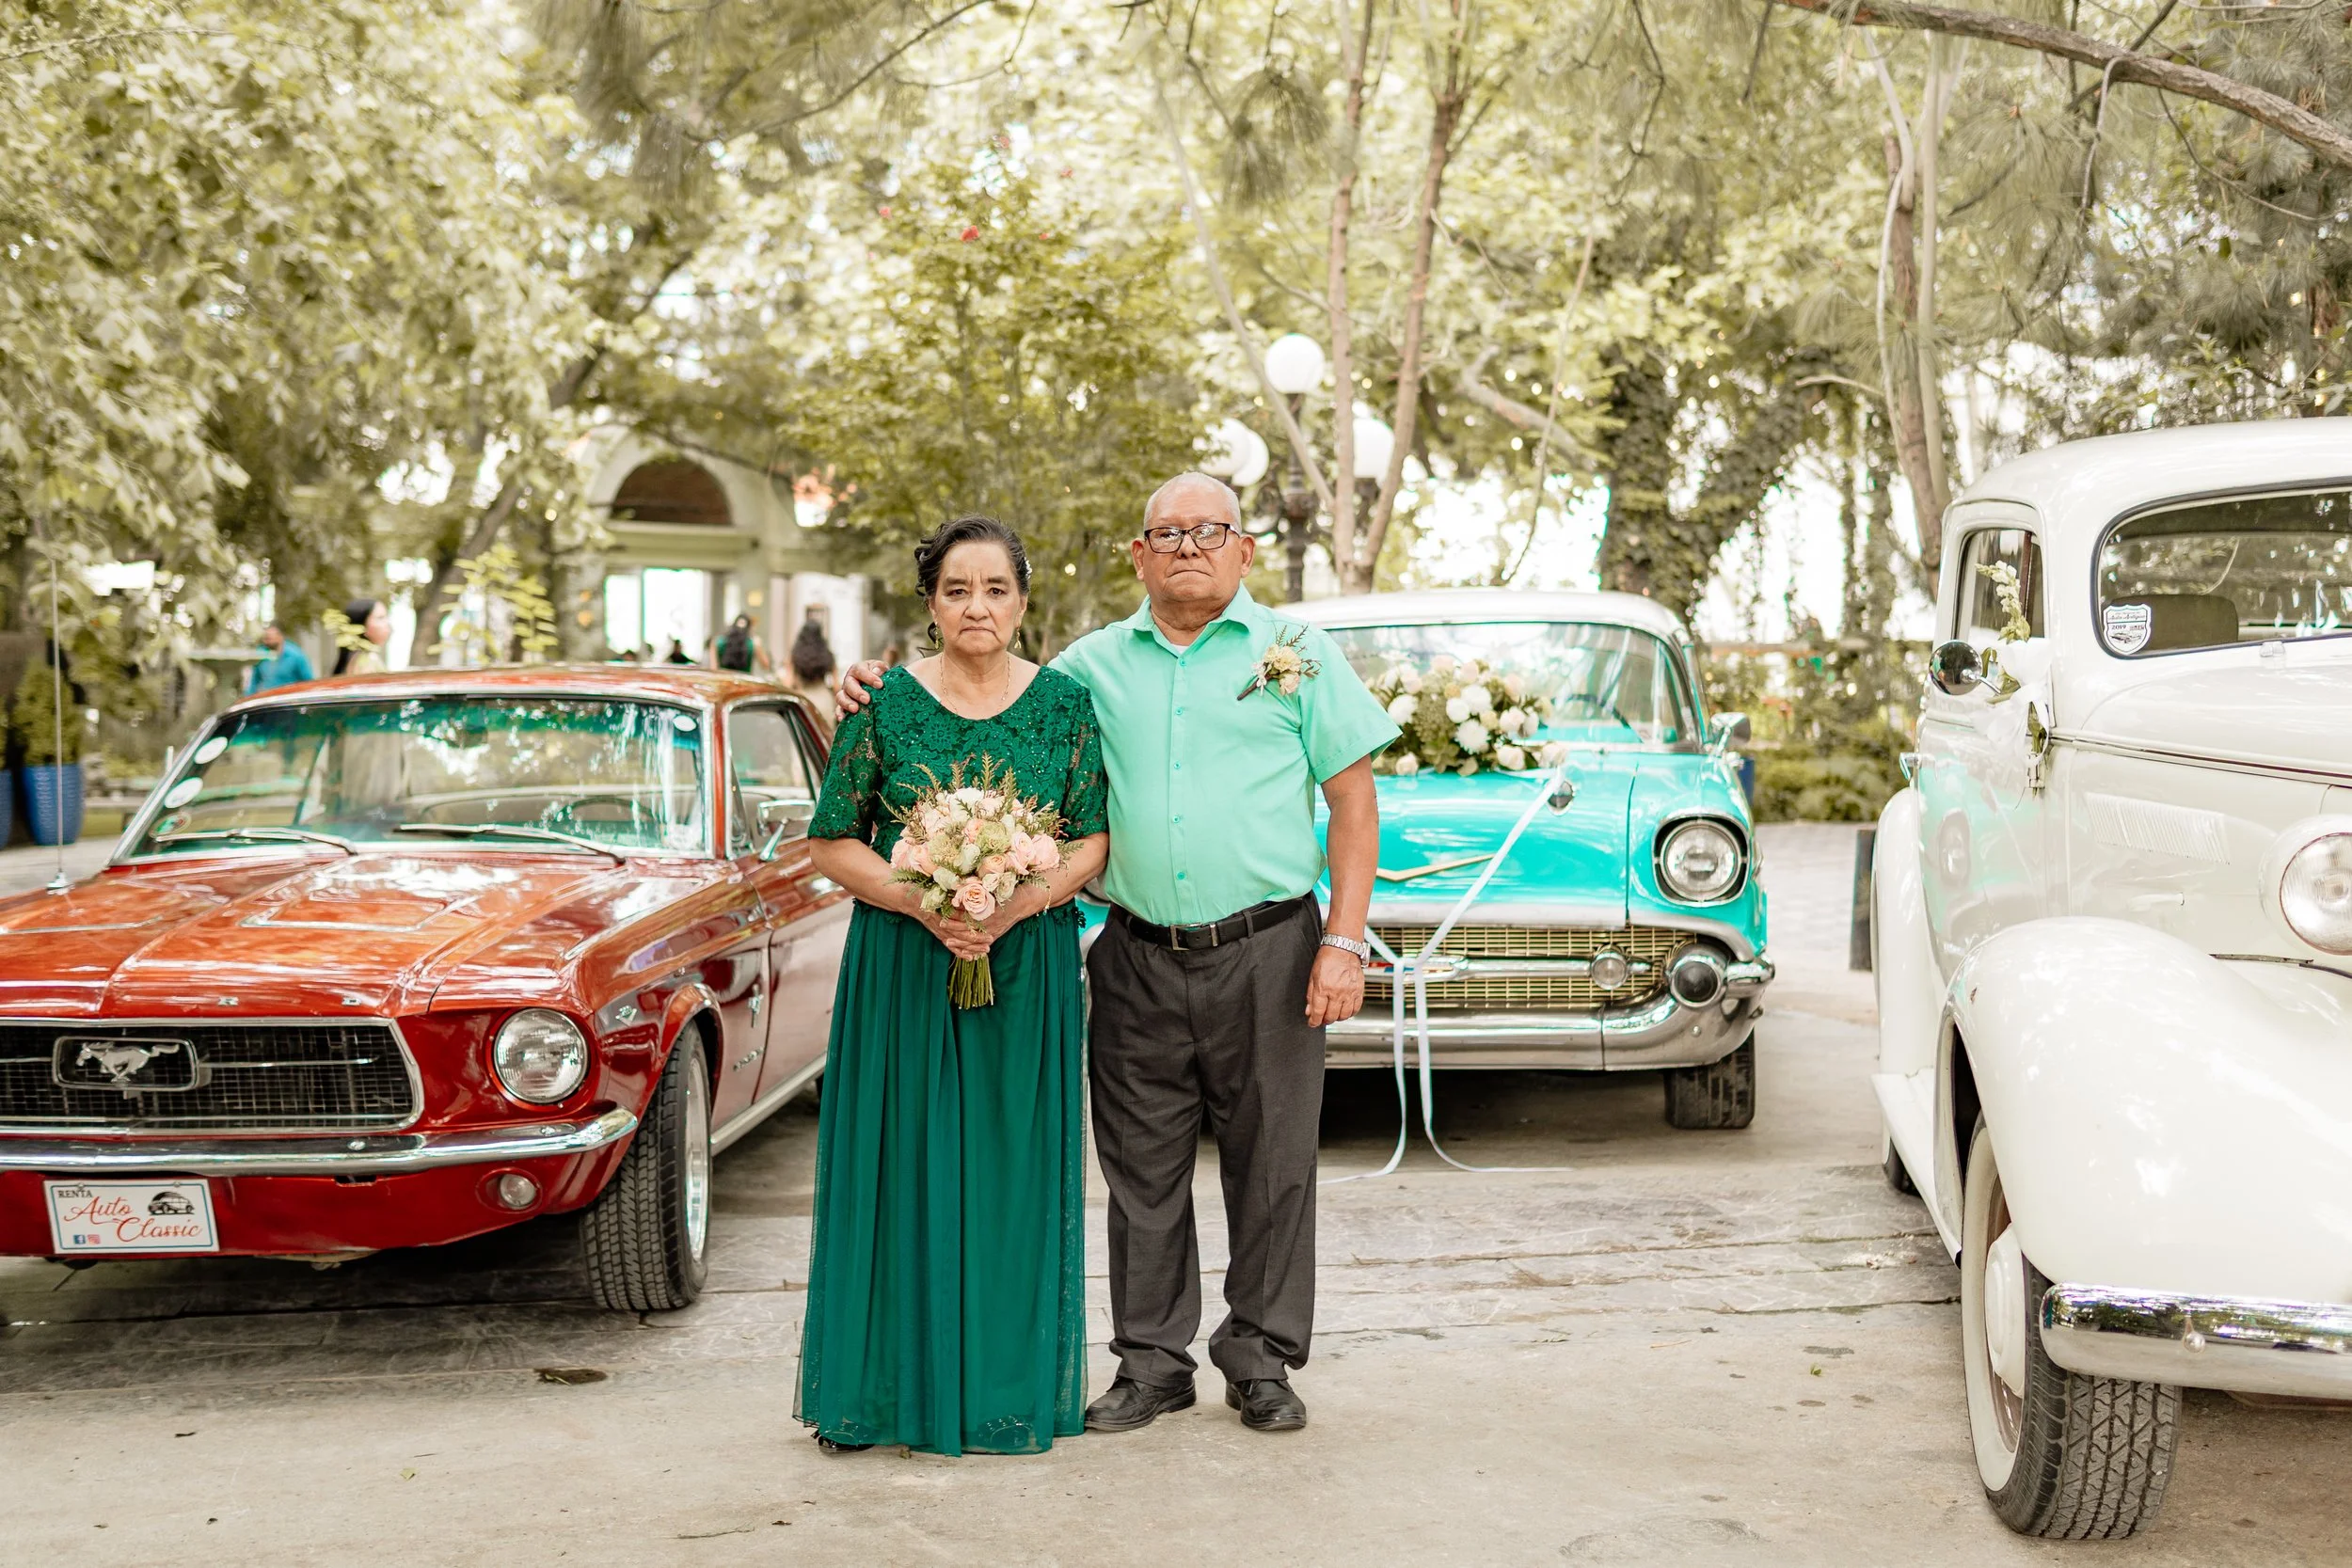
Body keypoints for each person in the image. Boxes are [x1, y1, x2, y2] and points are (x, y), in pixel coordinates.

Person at [837, 474, 1396, 1434]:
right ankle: (1150, 1362)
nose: (1187, 546)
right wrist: (866, 684)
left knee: (1274, 1168)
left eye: (1209, 530)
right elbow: (987, 692)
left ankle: (1260, 1356)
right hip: (1132, 951)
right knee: (1140, 1168)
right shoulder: (1088, 667)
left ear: (1244, 548)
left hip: (1270, 945)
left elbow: (1353, 802)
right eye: (1166, 533)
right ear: (1137, 555)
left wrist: (1343, 940)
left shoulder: (1296, 654)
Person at [799, 515, 1111, 1457]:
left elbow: (1092, 834)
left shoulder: (1064, 705)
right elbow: (830, 838)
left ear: (1023, 599)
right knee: (896, 1166)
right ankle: (880, 1390)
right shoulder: (883, 706)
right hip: (904, 964)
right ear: (931, 604)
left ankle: (1004, 1392)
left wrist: (1015, 904)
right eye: (957, 590)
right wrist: (924, 898)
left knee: (1013, 1173)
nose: (978, 606)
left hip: (1026, 966)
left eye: (996, 589)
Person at [788, 615, 837, 736]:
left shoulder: (795, 655)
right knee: (825, 743)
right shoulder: (828, 654)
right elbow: (836, 686)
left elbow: (789, 683)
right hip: (825, 701)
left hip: (803, 700)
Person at [246, 622, 314, 693]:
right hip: (268, 699)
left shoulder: (296, 655)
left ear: (280, 637)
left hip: (288, 700)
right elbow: (254, 681)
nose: (266, 642)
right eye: (265, 639)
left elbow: (308, 682)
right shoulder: (262, 654)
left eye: (269, 639)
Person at [332, 599, 392, 676]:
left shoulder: (358, 658)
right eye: (380, 618)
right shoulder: (366, 662)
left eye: (386, 617)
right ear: (362, 626)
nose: (387, 623)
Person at [711, 612, 770, 676]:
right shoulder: (754, 643)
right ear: (749, 628)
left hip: (724, 682)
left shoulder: (717, 641)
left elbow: (714, 669)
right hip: (745, 684)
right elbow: (766, 666)